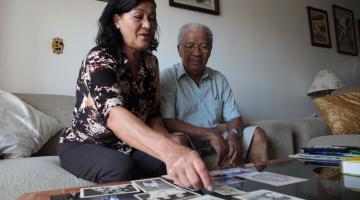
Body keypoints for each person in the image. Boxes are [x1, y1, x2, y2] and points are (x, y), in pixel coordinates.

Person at [58, 1, 212, 191]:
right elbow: (115, 116)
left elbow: (154, 115)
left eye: (152, 17)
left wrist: (168, 141)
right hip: (83, 144)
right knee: (121, 168)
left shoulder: (150, 63)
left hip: (125, 145)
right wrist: (169, 150)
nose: (148, 25)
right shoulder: (99, 58)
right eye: (139, 17)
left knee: (169, 165)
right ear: (117, 20)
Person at [160, 23, 268, 169]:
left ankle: (261, 185)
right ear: (179, 50)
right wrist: (209, 134)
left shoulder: (219, 79)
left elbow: (234, 117)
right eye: (190, 46)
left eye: (203, 46)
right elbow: (168, 121)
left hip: (217, 138)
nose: (197, 53)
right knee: (176, 140)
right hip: (187, 139)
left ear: (210, 50)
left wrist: (234, 134)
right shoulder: (167, 77)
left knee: (258, 133)